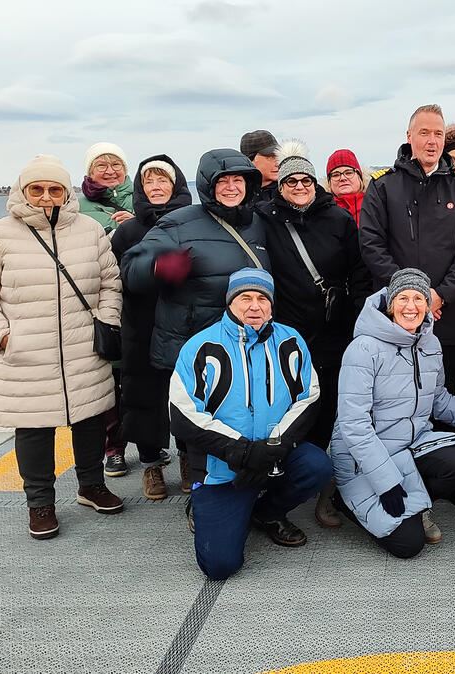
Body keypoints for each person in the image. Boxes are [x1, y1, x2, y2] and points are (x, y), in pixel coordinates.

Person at [0, 155, 123, 540]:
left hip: (83, 345)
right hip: (26, 351)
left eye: (55, 189)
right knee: (34, 430)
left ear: (66, 192)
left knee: (89, 419)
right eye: (37, 189)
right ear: (23, 191)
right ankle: (40, 504)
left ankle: (91, 486)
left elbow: (109, 283)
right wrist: (1, 335)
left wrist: (107, 320)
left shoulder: (89, 230)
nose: (47, 197)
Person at [121, 148, 271, 511]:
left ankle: (244, 490)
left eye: (239, 180)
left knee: (238, 414)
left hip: (245, 341)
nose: (232, 187)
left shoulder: (258, 222)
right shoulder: (179, 222)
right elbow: (130, 267)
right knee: (199, 417)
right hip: (193, 341)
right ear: (207, 185)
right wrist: (159, 267)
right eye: (223, 181)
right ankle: (204, 498)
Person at [170, 269, 331, 579]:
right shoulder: (200, 347)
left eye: (262, 299)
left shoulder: (291, 341)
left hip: (274, 456)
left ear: (271, 305)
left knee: (317, 465)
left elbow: (309, 398)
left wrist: (274, 447)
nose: (254, 306)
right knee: (219, 566)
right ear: (230, 302)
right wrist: (241, 452)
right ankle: (207, 506)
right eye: (245, 298)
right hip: (223, 466)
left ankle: (266, 513)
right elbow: (183, 414)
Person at [331, 269, 455, 558]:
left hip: (410, 443)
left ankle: (417, 505)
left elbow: (440, 401)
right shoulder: (363, 349)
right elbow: (353, 425)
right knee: (409, 545)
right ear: (390, 304)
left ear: (428, 305)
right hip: (364, 455)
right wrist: (386, 483)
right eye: (403, 298)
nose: (411, 306)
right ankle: (343, 500)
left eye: (419, 298)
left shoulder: (429, 344)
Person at [259, 142, 372, 528]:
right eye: (291, 180)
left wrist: (357, 320)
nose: (300, 186)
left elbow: (359, 272)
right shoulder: (265, 218)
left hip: (335, 328)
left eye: (306, 179)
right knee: (291, 409)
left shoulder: (337, 220)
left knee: (333, 409)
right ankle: (287, 487)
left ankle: (328, 489)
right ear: (281, 185)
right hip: (287, 333)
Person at [359, 104, 455, 401]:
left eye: (438, 133)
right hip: (394, 317)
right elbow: (371, 244)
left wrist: (441, 294)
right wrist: (412, 296)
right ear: (409, 136)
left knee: (442, 397)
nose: (432, 141)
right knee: (392, 400)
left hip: (445, 316)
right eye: (424, 132)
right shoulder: (383, 187)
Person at [110, 155, 192, 498]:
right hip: (141, 324)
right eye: (149, 182)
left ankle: (189, 458)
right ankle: (152, 466)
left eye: (163, 181)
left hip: (185, 323)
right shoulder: (128, 231)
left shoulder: (194, 221)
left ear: (176, 186)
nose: (156, 188)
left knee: (190, 396)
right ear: (140, 189)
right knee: (144, 397)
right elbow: (115, 278)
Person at [79, 142, 133, 475]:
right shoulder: (78, 205)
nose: (110, 170)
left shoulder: (142, 198)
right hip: (101, 300)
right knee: (107, 378)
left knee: (139, 377)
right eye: (101, 164)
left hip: (141, 299)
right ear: (89, 170)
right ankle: (113, 448)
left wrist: (135, 222)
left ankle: (150, 446)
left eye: (116, 163)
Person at [79, 142, 134, 231]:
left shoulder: (145, 198)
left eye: (116, 165)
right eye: (101, 166)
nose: (110, 171)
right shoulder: (76, 206)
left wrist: (137, 225)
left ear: (124, 169)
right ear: (90, 173)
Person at [323, 148, 367, 225]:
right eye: (336, 175)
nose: (343, 178)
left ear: (360, 176)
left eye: (349, 173)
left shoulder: (375, 203)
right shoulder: (322, 210)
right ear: (329, 182)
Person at [240, 129, 281, 204]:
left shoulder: (288, 192)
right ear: (250, 160)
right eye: (269, 158)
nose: (278, 163)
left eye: (278, 156)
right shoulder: (234, 193)